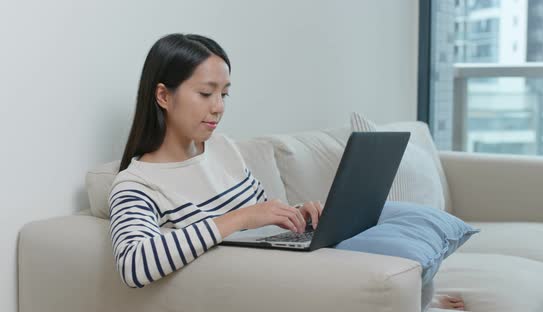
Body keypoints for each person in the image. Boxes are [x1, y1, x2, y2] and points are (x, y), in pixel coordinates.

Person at [108, 33, 464, 311]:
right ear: (163, 96)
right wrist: (241, 218)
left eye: (224, 94)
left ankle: (415, 302)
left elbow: (262, 215)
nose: (217, 108)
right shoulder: (139, 184)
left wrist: (296, 216)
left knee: (397, 223)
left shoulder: (222, 149)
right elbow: (136, 264)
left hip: (282, 263)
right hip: (261, 284)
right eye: (205, 93)